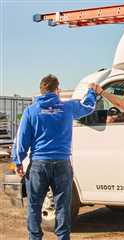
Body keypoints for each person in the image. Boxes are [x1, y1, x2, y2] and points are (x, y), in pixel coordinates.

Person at [12, 74, 97, 240]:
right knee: (62, 206)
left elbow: (22, 140)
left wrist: (18, 161)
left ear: (41, 91)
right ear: (57, 90)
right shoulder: (68, 108)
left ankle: (35, 237)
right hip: (62, 165)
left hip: (38, 165)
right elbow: (88, 106)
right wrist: (92, 92)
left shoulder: (31, 111)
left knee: (34, 206)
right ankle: (63, 237)